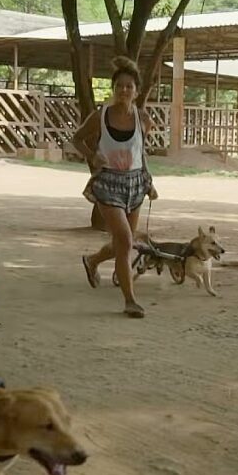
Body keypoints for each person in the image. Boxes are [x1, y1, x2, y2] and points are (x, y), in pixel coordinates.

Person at [75, 56, 156, 318]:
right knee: (124, 239)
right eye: (119, 86)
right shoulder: (101, 116)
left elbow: (141, 153)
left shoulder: (143, 119)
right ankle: (130, 300)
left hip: (135, 183)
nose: (124, 90)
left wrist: (150, 182)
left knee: (125, 242)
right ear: (113, 89)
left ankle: (93, 260)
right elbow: (76, 139)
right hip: (108, 182)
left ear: (136, 91)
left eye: (129, 86)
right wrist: (92, 154)